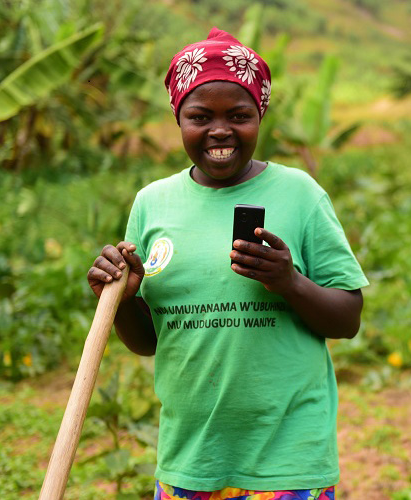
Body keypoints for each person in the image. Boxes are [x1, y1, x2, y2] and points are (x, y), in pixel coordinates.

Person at [87, 28, 368, 500]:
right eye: (200, 116)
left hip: (288, 460)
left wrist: (289, 282)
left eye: (239, 116)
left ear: (260, 117)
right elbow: (148, 343)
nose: (220, 130)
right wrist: (122, 300)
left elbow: (348, 319)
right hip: (190, 459)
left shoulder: (300, 194)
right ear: (179, 119)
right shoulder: (153, 203)